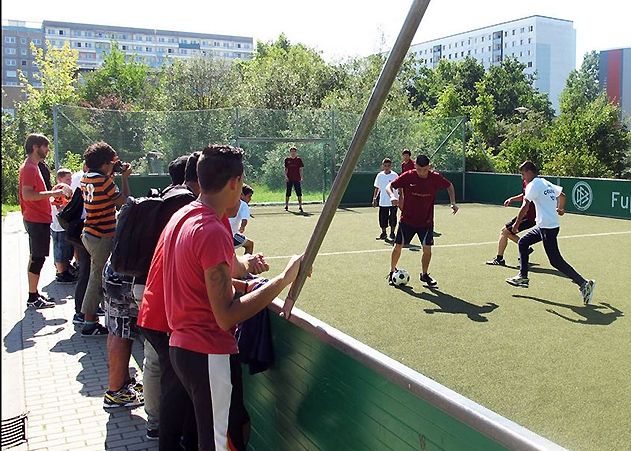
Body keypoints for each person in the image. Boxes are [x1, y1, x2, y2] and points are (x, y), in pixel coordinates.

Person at [163, 144, 306, 451]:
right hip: (206, 351)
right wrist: (283, 279)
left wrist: (246, 284)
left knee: (207, 439)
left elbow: (200, 278)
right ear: (235, 182)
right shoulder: (212, 229)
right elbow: (226, 315)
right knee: (216, 444)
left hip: (182, 347)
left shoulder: (184, 216)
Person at [505, 161, 595, 304]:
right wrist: (560, 208)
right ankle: (523, 277)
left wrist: (516, 225)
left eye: (523, 174)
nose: (523, 178)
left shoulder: (533, 185)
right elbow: (563, 195)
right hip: (546, 225)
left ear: (529, 172)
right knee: (523, 242)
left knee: (555, 261)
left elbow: (525, 205)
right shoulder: (545, 182)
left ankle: (584, 284)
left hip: (547, 227)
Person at [80, 141, 131, 337]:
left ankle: (91, 316)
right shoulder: (104, 182)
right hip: (102, 235)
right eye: (111, 163)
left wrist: (113, 171)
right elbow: (123, 202)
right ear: (104, 164)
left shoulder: (87, 178)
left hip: (90, 233)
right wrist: (125, 179)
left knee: (96, 275)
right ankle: (89, 321)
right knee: (97, 278)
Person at [386, 154, 458, 287]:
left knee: (427, 250)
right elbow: (389, 186)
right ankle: (391, 272)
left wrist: (453, 202)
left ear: (429, 167)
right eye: (419, 169)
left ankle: (424, 275)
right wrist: (392, 196)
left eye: (425, 170)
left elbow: (449, 186)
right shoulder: (408, 175)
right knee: (398, 247)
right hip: (407, 220)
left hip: (426, 222)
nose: (422, 172)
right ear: (415, 166)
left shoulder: (435, 177)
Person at [18, 133, 66, 308]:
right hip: (35, 219)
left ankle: (35, 293)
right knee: (37, 258)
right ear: (34, 147)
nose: (47, 149)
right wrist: (54, 193)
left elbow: (35, 194)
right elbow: (28, 194)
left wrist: (50, 199)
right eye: (44, 146)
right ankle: (32, 297)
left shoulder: (34, 166)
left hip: (39, 218)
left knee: (38, 257)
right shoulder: (30, 168)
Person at [102, 260, 145, 409]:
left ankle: (122, 384)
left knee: (116, 330)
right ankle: (116, 390)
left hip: (115, 271)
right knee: (122, 334)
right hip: (128, 278)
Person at [486, 179, 536, 266]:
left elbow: (526, 203)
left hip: (529, 217)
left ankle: (499, 259)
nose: (522, 176)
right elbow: (524, 196)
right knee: (506, 232)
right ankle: (526, 248)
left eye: (523, 173)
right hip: (525, 215)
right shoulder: (525, 182)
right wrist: (512, 199)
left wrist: (517, 223)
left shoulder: (534, 184)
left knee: (504, 232)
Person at [50, 168, 77, 284]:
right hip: (59, 226)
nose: (70, 181)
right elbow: (60, 208)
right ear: (59, 179)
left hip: (58, 225)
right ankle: (62, 273)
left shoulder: (62, 190)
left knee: (63, 249)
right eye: (67, 179)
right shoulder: (59, 191)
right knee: (61, 249)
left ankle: (63, 269)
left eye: (70, 179)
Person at [372, 158, 398, 241]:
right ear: (382, 166)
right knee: (382, 218)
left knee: (393, 218)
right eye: (385, 165)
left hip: (393, 202)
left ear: (391, 166)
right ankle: (383, 233)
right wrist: (375, 198)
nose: (387, 167)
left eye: (388, 166)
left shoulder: (395, 175)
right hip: (383, 202)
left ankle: (392, 233)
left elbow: (399, 188)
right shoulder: (380, 175)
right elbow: (377, 188)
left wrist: (399, 198)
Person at [230, 184, 255, 254]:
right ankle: (247, 264)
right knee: (250, 244)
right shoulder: (244, 205)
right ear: (241, 195)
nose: (250, 199)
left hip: (223, 234)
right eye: (249, 196)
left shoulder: (229, 202)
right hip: (231, 235)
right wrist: (242, 227)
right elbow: (244, 219)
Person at [284, 146, 304, 213]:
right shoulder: (287, 159)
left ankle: (300, 206)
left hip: (296, 178)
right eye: (291, 151)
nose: (293, 153)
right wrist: (286, 176)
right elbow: (286, 169)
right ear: (290, 152)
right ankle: (286, 205)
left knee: (299, 193)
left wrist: (301, 177)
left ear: (296, 152)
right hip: (289, 179)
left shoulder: (299, 160)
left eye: (294, 151)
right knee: (288, 192)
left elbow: (300, 169)